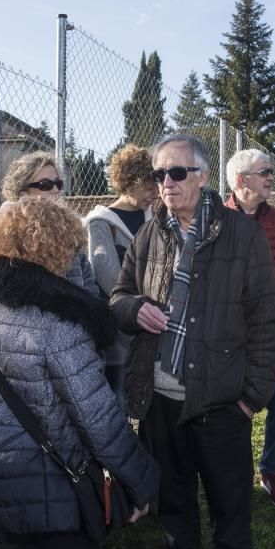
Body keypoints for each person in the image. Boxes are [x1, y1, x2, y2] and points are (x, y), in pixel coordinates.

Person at [110, 132, 275, 549]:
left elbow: (268, 319)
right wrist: (134, 309)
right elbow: (119, 296)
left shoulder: (241, 232)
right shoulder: (150, 232)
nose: (165, 182)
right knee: (174, 512)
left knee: (231, 515)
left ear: (203, 177)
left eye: (176, 172)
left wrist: (251, 399)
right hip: (160, 404)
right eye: (159, 173)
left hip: (222, 405)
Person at [0, 197, 159, 549]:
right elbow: (97, 418)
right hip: (54, 491)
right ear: (57, 247)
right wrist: (141, 480)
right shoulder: (58, 323)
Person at [224, 148, 275, 509]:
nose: (272, 177)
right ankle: (234, 472)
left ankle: (271, 470)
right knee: (231, 405)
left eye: (271, 171)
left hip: (270, 331)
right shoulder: (214, 219)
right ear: (242, 180)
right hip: (228, 335)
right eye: (265, 171)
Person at [84, 143, 157, 408]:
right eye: (148, 187)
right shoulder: (101, 222)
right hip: (119, 337)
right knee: (118, 405)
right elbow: (109, 278)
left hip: (151, 335)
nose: (155, 193)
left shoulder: (154, 219)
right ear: (130, 182)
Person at [2, 150, 99, 294]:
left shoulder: (71, 233)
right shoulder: (6, 235)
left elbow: (91, 291)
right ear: (23, 193)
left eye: (58, 184)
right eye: (45, 185)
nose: (55, 190)